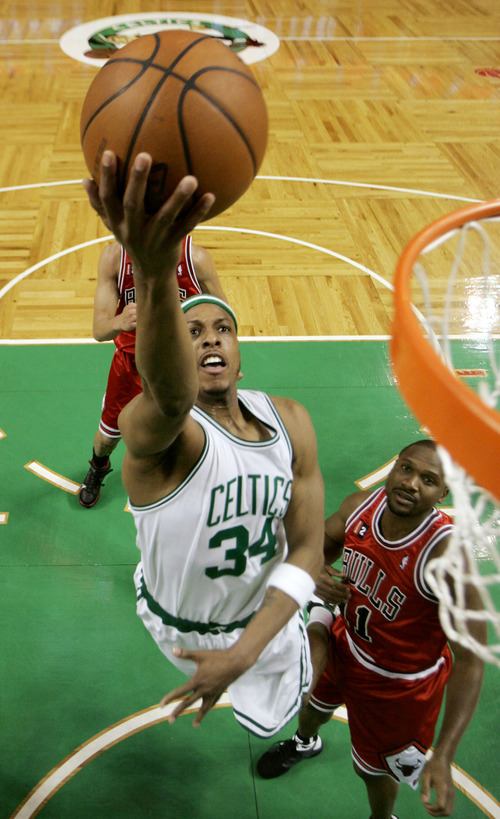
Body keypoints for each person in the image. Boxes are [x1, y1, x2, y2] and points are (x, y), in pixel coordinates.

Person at [82, 150, 325, 736]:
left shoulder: (291, 420)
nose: (211, 338)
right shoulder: (166, 432)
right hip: (177, 623)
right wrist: (153, 271)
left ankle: (316, 620)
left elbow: (306, 548)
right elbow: (171, 396)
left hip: (258, 619)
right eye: (193, 332)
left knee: (296, 688)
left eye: (223, 329)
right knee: (111, 430)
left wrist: (244, 653)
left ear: (241, 357)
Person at [257, 439, 486, 819]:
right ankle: (305, 742)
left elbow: (471, 661)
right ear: (393, 468)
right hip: (346, 642)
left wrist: (444, 755)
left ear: (444, 493)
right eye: (406, 468)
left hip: (398, 687)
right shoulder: (359, 507)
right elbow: (320, 545)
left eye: (428, 479)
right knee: (311, 705)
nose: (411, 483)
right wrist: (316, 571)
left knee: (372, 770)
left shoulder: (448, 559)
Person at [79, 233, 226, 507]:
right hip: (131, 365)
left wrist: (220, 358)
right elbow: (99, 330)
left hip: (182, 364)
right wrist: (119, 321)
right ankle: (98, 466)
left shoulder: (195, 259)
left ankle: (195, 476)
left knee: (193, 430)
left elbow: (224, 317)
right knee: (107, 438)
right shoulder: (114, 258)